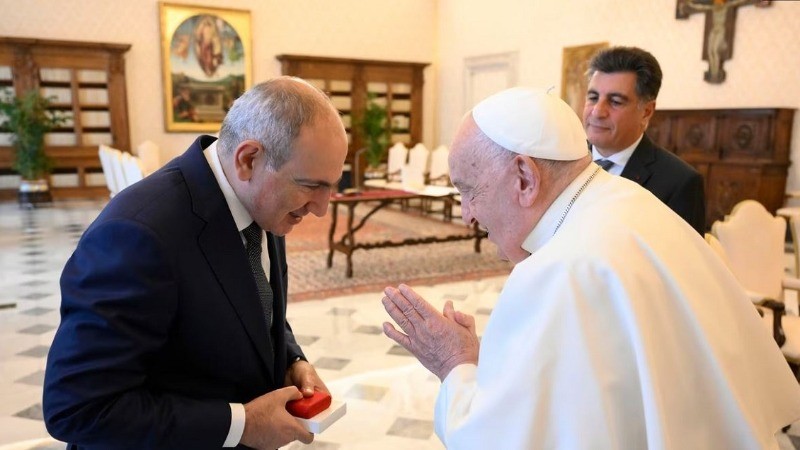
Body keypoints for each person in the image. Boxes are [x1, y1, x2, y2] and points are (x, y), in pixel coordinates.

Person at [381, 87, 800, 449]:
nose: (467, 214)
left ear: (525, 178)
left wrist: (455, 363)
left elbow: (499, 439)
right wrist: (483, 360)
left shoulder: (560, 271)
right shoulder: (626, 199)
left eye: (468, 191)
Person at [43, 76, 348, 449]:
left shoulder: (263, 203)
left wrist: (291, 359)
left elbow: (254, 304)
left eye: (332, 186)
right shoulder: (137, 234)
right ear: (249, 160)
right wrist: (240, 424)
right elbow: (77, 407)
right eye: (312, 186)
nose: (321, 208)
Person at [583, 46, 707, 234]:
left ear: (646, 112)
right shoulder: (561, 160)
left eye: (615, 101)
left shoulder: (679, 183)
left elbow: (683, 262)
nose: (597, 111)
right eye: (593, 97)